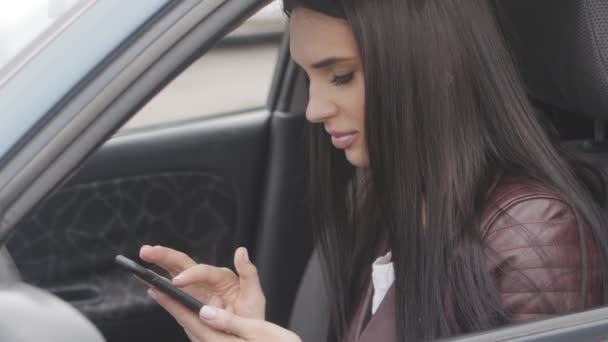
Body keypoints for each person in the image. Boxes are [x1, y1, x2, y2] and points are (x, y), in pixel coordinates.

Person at [139, 0, 608, 341]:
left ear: (434, 67)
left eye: (341, 75)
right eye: (309, 79)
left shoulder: (534, 234)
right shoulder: (393, 200)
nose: (314, 109)